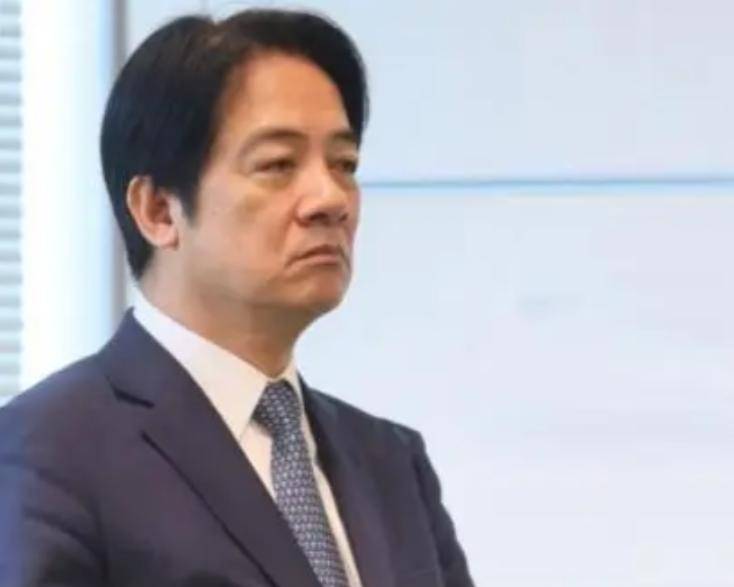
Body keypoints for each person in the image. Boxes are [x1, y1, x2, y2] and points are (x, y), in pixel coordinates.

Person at [0, 8, 474, 587]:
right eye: (278, 165)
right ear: (158, 210)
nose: (331, 199)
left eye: (344, 164)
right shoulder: (48, 449)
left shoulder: (392, 464)